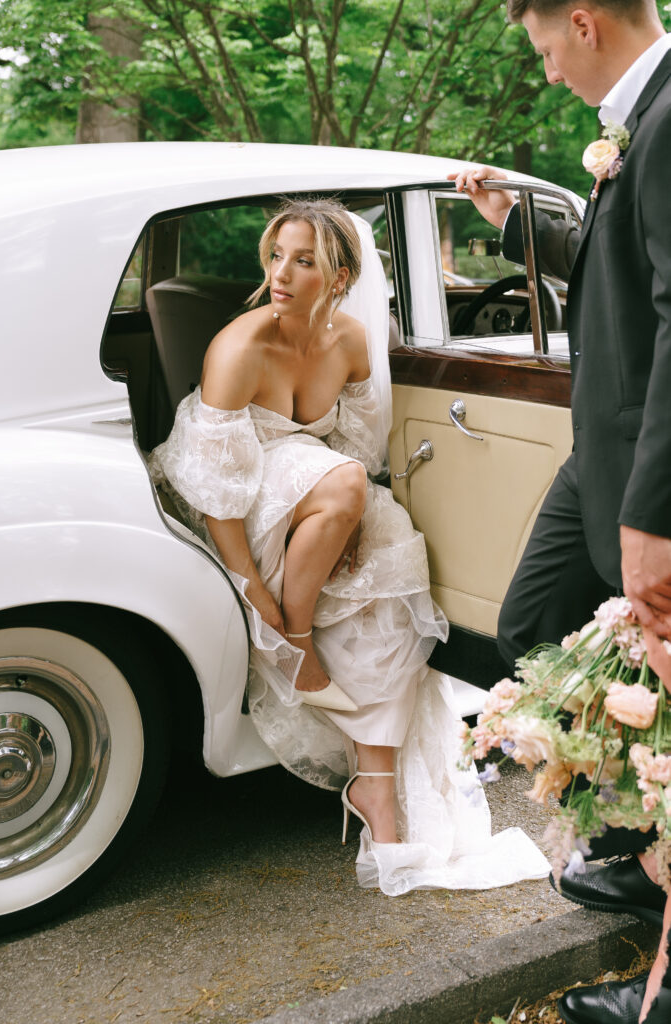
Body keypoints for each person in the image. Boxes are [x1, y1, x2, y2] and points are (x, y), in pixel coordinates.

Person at [149, 197, 550, 896]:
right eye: (275, 256)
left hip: (317, 495)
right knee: (342, 490)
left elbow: (358, 449)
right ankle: (299, 641)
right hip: (241, 507)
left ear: (339, 278)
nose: (280, 273)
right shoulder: (239, 346)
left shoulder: (352, 341)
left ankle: (376, 786)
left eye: (303, 261)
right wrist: (256, 595)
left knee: (392, 572)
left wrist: (350, 523)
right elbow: (216, 494)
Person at [451, 0, 671, 1019]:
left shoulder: (667, 117)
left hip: (645, 470)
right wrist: (519, 224)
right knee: (531, 626)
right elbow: (616, 266)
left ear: (579, 20)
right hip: (599, 447)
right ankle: (626, 842)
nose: (543, 72)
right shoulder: (637, 121)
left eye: (540, 47)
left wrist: (652, 510)